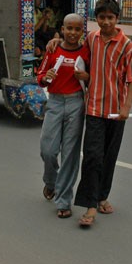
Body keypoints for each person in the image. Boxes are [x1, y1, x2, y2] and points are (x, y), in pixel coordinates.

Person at [74, 0, 132, 228]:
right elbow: (76, 53)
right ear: (96, 18)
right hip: (93, 108)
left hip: (115, 112)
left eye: (110, 18)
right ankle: (90, 205)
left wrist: (126, 108)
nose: (106, 22)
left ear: (117, 19)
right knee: (92, 156)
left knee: (109, 157)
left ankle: (102, 196)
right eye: (101, 17)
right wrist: (54, 41)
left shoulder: (126, 46)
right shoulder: (91, 39)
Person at [37, 13, 89, 219]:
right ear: (62, 29)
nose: (73, 33)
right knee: (48, 151)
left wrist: (86, 76)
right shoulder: (53, 50)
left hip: (76, 103)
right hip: (55, 103)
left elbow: (92, 76)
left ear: (82, 31)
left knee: (70, 154)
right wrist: (45, 78)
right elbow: (40, 76)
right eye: (69, 28)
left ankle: (64, 200)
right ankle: (51, 182)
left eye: (77, 29)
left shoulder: (86, 52)